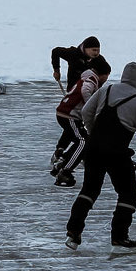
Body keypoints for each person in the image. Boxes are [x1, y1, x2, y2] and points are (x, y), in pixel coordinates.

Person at [65, 62, 136, 250]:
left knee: (89, 190)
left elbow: (87, 111)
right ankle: (119, 235)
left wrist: (94, 134)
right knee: (129, 194)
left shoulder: (107, 89)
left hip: (93, 149)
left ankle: (74, 230)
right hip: (117, 153)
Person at [51, 57, 111, 187]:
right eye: (107, 76)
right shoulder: (91, 81)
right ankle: (65, 171)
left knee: (84, 141)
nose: (106, 79)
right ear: (103, 74)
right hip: (69, 115)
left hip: (69, 115)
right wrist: (90, 105)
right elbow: (85, 91)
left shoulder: (88, 79)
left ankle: (63, 163)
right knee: (83, 142)